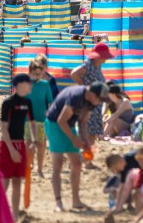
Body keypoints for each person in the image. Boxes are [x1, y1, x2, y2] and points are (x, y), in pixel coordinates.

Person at [46, 82, 109, 211]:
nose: (99, 103)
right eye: (99, 99)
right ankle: (59, 203)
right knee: (58, 164)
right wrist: (74, 139)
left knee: (77, 163)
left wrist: (85, 142)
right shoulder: (75, 96)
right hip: (54, 124)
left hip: (68, 125)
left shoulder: (92, 102)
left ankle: (76, 201)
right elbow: (61, 120)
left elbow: (83, 121)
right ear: (91, 93)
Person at [0, 74, 34, 216]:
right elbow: (3, 128)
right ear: (20, 85)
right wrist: (11, 149)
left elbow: (32, 123)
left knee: (18, 181)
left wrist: (31, 142)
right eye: (28, 83)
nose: (31, 86)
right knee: (5, 180)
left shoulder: (28, 102)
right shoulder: (8, 102)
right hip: (7, 144)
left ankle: (14, 214)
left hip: (21, 143)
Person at [70, 42, 113, 148]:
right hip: (88, 102)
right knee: (86, 131)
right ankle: (84, 157)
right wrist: (85, 87)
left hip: (96, 103)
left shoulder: (97, 66)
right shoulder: (88, 65)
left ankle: (88, 157)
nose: (105, 59)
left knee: (93, 133)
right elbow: (74, 73)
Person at [26, 58, 54, 178]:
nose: (37, 76)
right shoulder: (25, 83)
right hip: (27, 119)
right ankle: (29, 165)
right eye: (34, 74)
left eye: (39, 74)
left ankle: (40, 168)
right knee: (29, 143)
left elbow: (50, 102)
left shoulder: (45, 84)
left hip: (41, 119)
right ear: (30, 72)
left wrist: (49, 113)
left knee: (41, 144)